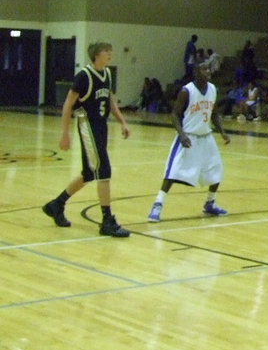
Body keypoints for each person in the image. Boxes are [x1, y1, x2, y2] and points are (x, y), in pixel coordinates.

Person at [42, 42, 131, 237]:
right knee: (104, 171)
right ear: (96, 55)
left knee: (89, 174)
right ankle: (107, 221)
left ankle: (57, 204)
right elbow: (68, 103)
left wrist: (123, 122)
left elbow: (111, 102)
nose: (110, 54)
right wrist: (65, 133)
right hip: (86, 126)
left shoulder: (107, 74)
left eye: (110, 51)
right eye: (107, 51)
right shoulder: (84, 76)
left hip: (101, 127)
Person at [147, 62, 230, 222]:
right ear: (196, 72)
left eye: (208, 68)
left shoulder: (212, 89)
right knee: (172, 173)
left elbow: (213, 113)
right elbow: (174, 114)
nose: (208, 71)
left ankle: (210, 203)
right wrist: (182, 134)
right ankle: (158, 204)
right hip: (189, 137)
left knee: (216, 171)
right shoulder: (186, 91)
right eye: (204, 69)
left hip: (206, 137)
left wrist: (222, 132)